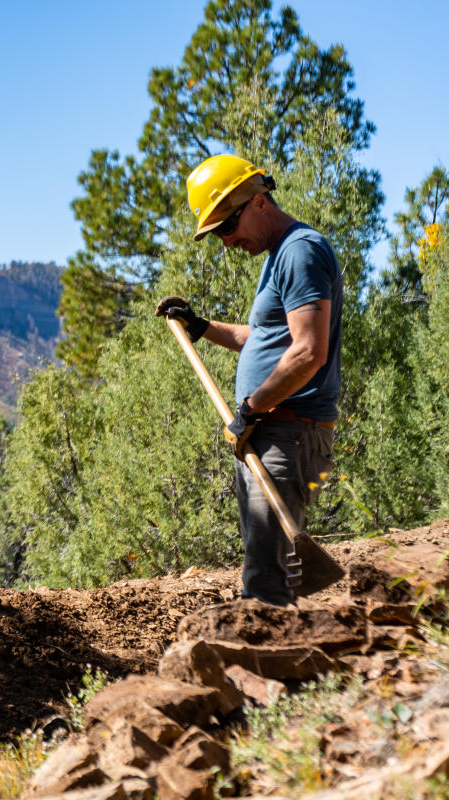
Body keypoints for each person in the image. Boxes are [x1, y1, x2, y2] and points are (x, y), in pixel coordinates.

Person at [156, 155, 342, 607]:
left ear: (258, 201)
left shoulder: (300, 251)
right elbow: (260, 339)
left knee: (266, 586)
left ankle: (272, 650)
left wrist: (251, 409)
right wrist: (200, 327)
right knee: (269, 573)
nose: (226, 241)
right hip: (269, 433)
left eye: (226, 226)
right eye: (217, 233)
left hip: (287, 433)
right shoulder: (280, 256)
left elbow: (308, 352)